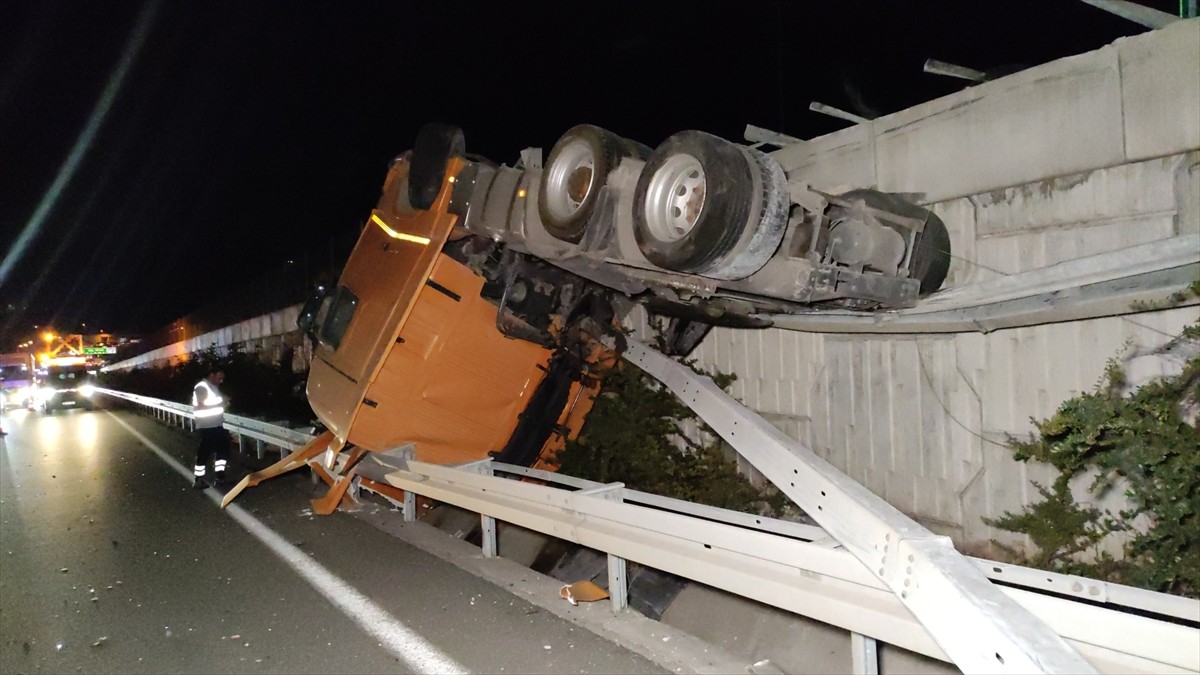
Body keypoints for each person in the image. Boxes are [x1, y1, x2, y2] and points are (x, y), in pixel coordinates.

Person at [191, 369, 231, 489]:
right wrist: (221, 404)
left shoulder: (213, 387)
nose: (220, 381)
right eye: (219, 378)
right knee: (204, 452)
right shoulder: (202, 387)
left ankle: (220, 476)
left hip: (217, 424)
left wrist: (224, 402)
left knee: (223, 449)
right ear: (211, 375)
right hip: (206, 426)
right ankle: (198, 479)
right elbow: (201, 404)